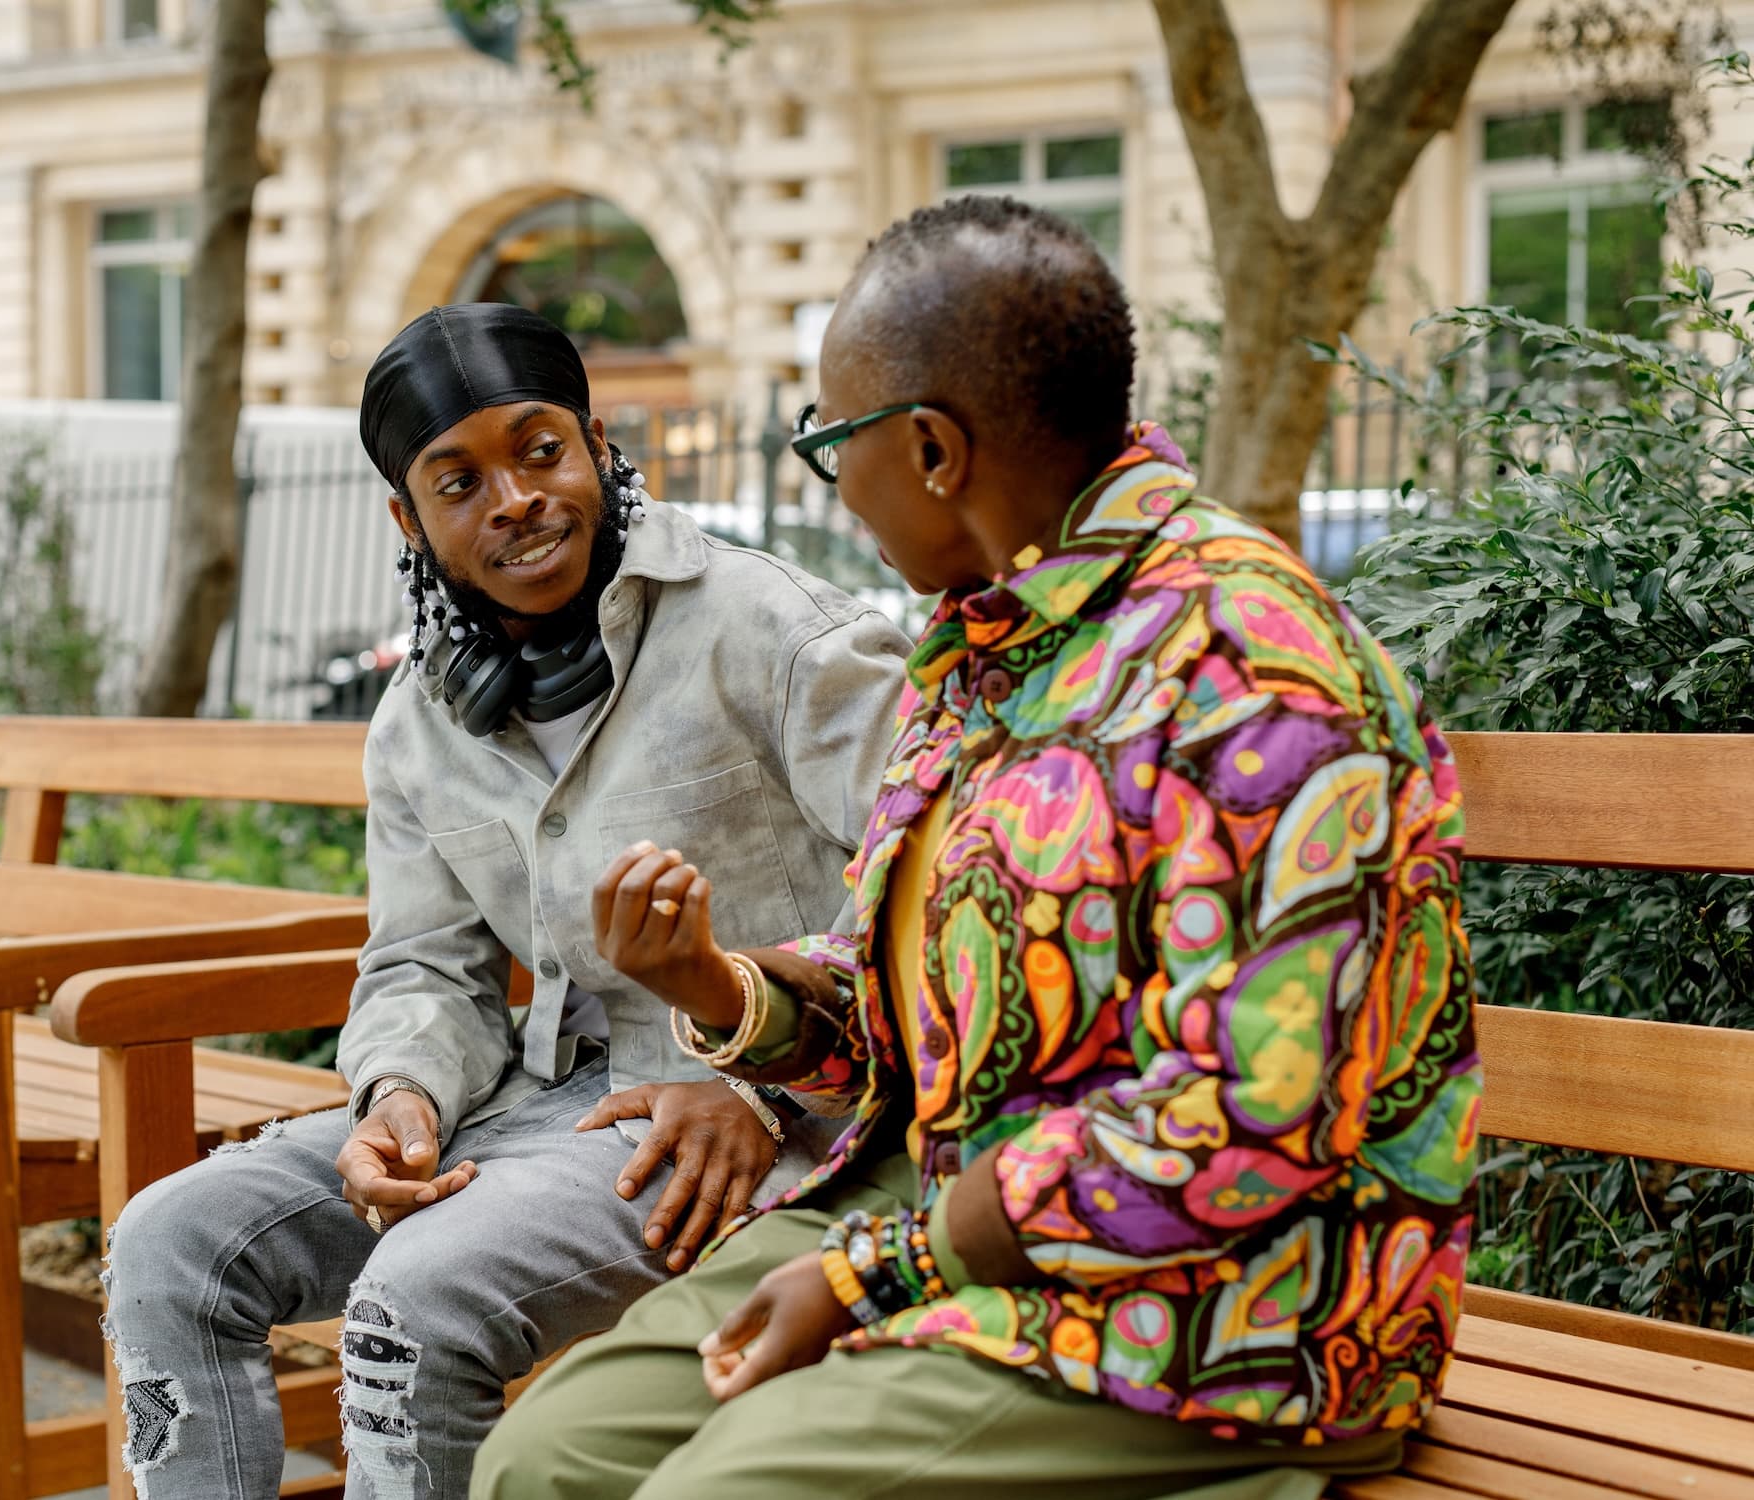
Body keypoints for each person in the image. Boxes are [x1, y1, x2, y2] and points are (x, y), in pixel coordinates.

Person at [474, 197, 1480, 1500]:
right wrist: (717, 988)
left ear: (935, 449)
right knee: (545, 1464)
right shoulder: (996, 643)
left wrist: (871, 1273)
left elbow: (1245, 1120)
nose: (832, 483)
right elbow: (943, 1013)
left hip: (1235, 1314)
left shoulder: (1252, 672)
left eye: (836, 444)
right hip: (956, 1216)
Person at [100, 302, 911, 1500]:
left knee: (412, 1303)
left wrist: (750, 1070)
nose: (515, 499)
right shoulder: (419, 717)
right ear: (408, 518)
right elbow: (424, 966)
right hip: (524, 1108)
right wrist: (399, 1098)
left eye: (540, 451)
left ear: (594, 444)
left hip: (757, 1122)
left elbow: (926, 897)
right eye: (458, 480)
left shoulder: (778, 633)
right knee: (168, 1246)